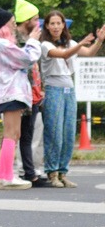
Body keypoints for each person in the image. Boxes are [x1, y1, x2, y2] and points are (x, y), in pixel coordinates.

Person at [39, 10, 105, 187]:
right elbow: (64, 55)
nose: (56, 27)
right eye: (52, 23)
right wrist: (80, 43)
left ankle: (63, 172)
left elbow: (89, 52)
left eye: (58, 23)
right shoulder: (45, 45)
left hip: (69, 90)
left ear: (63, 25)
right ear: (47, 26)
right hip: (54, 90)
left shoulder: (71, 43)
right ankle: (52, 172)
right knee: (55, 133)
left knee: (69, 133)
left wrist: (99, 40)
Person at [0, 5, 41, 190]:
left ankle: (4, 174)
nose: (14, 25)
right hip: (10, 93)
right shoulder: (2, 45)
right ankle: (6, 176)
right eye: (11, 22)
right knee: (11, 134)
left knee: (14, 134)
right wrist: (33, 41)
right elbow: (27, 58)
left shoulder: (1, 44)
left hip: (11, 93)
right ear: (4, 25)